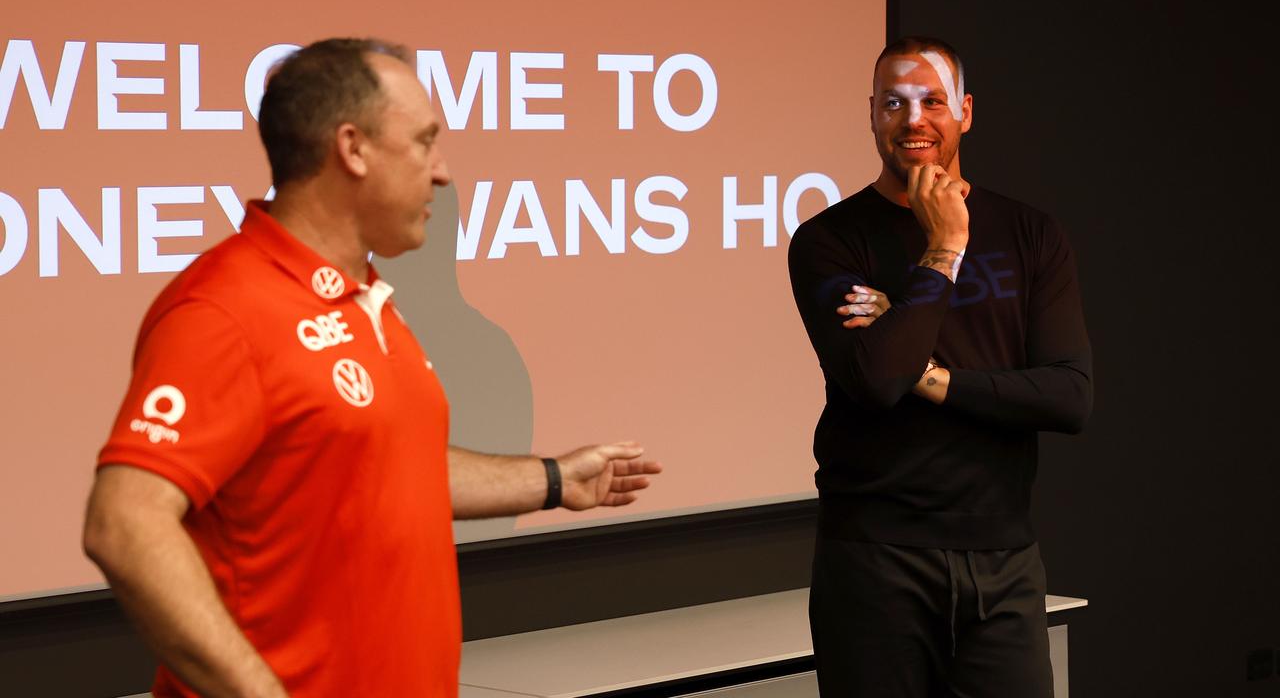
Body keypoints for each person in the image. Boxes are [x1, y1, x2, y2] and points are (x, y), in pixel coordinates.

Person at [82, 38, 662, 698]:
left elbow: (378, 462)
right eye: (423, 142)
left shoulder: (364, 298)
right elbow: (124, 523)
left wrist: (553, 479)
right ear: (353, 149)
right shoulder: (225, 309)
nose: (442, 172)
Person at [787, 35, 1091, 697]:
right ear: (872, 114)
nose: (913, 118)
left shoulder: (1031, 234)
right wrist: (946, 247)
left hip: (1004, 559)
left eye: (932, 100)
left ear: (966, 111)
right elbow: (873, 380)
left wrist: (927, 375)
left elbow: (1067, 395)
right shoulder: (829, 241)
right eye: (893, 102)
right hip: (874, 562)